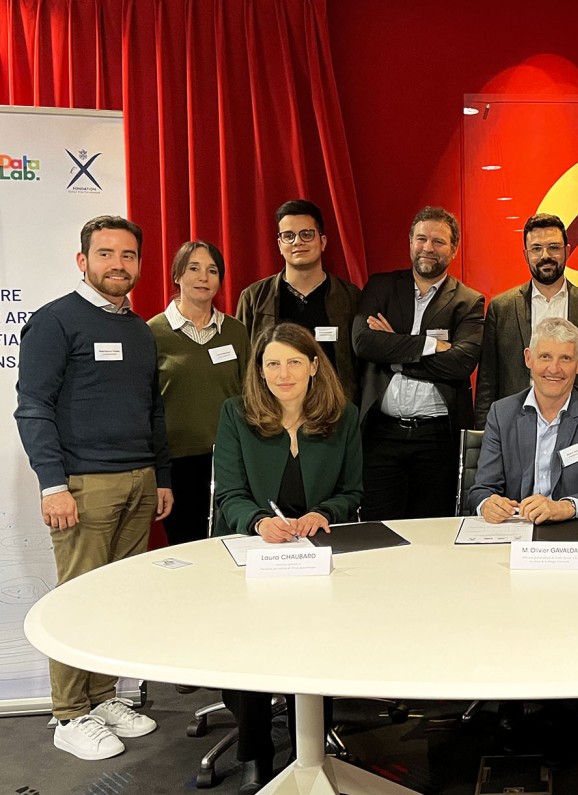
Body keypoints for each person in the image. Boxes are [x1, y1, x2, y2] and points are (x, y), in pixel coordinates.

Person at [15, 215, 170, 760]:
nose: (117, 265)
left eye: (128, 256)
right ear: (83, 260)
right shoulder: (55, 322)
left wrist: (162, 476)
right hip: (83, 485)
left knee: (115, 598)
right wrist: (52, 485)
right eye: (105, 254)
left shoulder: (139, 329)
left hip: (139, 480)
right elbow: (32, 405)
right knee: (76, 600)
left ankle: (103, 698)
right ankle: (68, 715)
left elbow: (152, 409)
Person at [211, 322, 362, 793]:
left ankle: (311, 744)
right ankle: (254, 750)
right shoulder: (236, 415)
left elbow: (352, 492)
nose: (283, 372)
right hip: (256, 548)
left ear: (315, 366)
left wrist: (324, 513)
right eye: (272, 363)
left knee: (319, 637)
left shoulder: (344, 416)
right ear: (259, 370)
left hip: (316, 551)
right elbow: (229, 494)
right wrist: (258, 521)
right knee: (249, 642)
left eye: (294, 361)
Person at [352, 206, 484, 520]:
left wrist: (395, 354)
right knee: (378, 530)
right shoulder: (380, 287)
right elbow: (363, 342)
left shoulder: (469, 301)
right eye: (421, 239)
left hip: (437, 438)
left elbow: (460, 364)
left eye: (438, 242)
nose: (428, 247)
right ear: (410, 242)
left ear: (453, 249)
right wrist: (430, 345)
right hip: (380, 434)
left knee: (432, 533)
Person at [471, 317, 578, 523]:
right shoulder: (501, 413)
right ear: (528, 358)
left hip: (573, 529)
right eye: (545, 356)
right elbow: (481, 490)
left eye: (565, 359)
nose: (554, 369)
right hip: (514, 529)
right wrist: (487, 504)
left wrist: (565, 507)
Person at [148, 240, 249, 545]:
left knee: (233, 546)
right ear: (177, 275)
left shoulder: (236, 331)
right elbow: (147, 403)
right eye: (194, 268)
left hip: (231, 460)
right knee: (188, 549)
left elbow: (249, 393)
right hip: (177, 464)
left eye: (212, 270)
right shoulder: (152, 332)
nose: (203, 277)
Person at [474, 213, 578, 428]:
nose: (545, 255)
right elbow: (487, 382)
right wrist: (484, 434)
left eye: (554, 247)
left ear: (567, 251)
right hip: (515, 426)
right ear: (526, 255)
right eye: (536, 248)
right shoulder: (501, 309)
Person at [236, 198, 360, 400]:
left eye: (307, 234)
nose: (297, 242)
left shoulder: (349, 297)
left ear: (323, 242)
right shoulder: (254, 298)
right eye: (288, 236)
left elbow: (359, 366)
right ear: (279, 244)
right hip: (272, 415)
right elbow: (243, 363)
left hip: (334, 413)